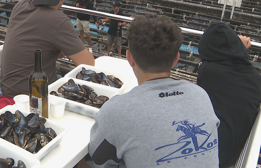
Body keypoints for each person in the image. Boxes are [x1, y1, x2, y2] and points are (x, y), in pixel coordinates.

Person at [88, 14, 220, 167]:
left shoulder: (117, 111)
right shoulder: (201, 95)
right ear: (176, 59)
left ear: (129, 58)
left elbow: (97, 160)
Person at [1, 0, 95, 98]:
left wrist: (55, 48)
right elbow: (88, 64)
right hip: (36, 95)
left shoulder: (20, 6)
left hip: (9, 89)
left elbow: (35, 38)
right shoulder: (59, 20)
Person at [197, 22, 261, 168]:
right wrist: (237, 47)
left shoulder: (207, 72)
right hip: (234, 154)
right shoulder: (255, 77)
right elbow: (235, 67)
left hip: (212, 154)